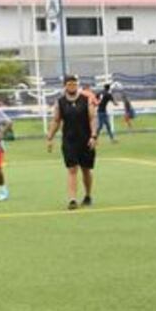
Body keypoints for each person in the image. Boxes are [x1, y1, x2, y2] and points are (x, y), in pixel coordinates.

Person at [45, 74, 97, 210]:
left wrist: (94, 136)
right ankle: (72, 199)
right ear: (65, 86)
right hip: (69, 141)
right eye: (69, 84)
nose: (72, 86)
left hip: (85, 140)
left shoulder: (86, 100)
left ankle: (88, 195)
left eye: (74, 84)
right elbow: (56, 120)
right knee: (72, 169)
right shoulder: (60, 102)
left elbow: (92, 119)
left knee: (86, 169)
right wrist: (49, 137)